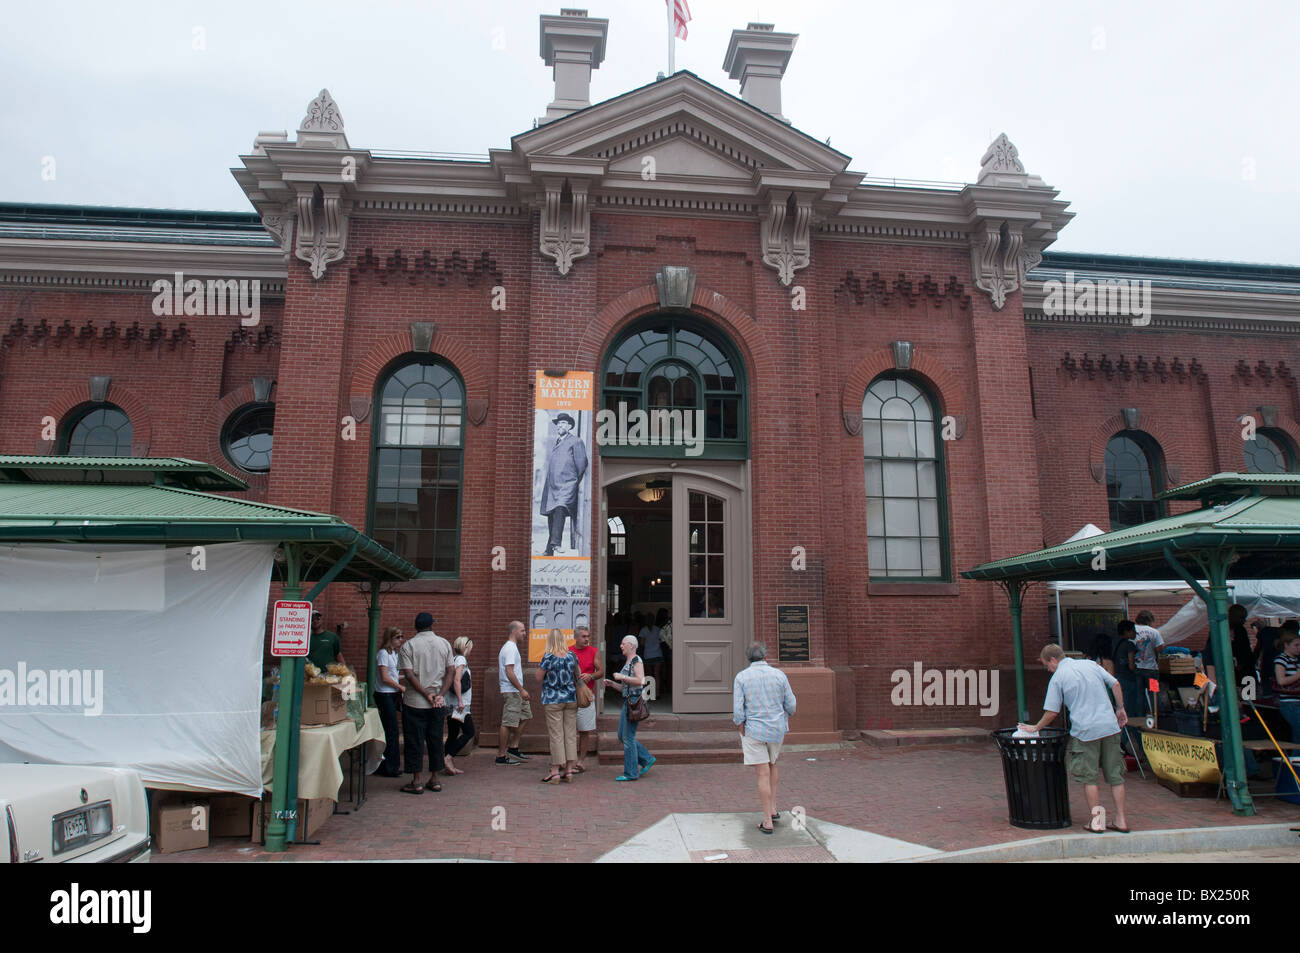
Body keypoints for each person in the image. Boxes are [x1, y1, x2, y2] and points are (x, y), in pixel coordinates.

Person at [1021, 644, 1130, 833]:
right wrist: (1120, 708)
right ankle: (1121, 820)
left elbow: (1052, 711)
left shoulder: (1058, 678)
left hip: (1085, 731)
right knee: (1115, 776)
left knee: (1090, 778)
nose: (1048, 669)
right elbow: (1115, 684)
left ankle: (1097, 821)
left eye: (1047, 665)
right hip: (1110, 726)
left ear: (1053, 660)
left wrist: (1036, 727)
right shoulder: (1091, 665)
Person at [733, 641, 798, 834]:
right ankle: (773, 807)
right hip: (776, 728)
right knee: (772, 764)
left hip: (754, 729)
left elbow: (738, 708)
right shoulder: (779, 675)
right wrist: (786, 715)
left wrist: (740, 724)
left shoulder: (742, 677)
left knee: (762, 772)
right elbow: (791, 704)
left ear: (748, 657)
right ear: (765, 656)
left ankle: (767, 820)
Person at [397, 612, 454, 794]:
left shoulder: (408, 645)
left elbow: (409, 674)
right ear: (432, 625)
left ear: (416, 626)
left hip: (414, 701)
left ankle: (416, 781)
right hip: (438, 701)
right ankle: (435, 779)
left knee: (414, 741)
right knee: (436, 740)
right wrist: (440, 695)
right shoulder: (444, 643)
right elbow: (451, 671)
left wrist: (425, 694)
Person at [605, 634, 653, 781]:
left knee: (628, 737)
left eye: (623, 643)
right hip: (628, 701)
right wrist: (613, 684)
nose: (621, 646)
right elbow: (626, 688)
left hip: (633, 702)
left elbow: (641, 680)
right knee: (623, 735)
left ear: (631, 646)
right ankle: (646, 758)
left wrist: (622, 677)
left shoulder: (636, 660)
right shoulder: (629, 661)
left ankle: (631, 772)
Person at [541, 413, 588, 556]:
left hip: (567, 484)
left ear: (569, 426)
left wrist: (572, 479)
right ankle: (549, 549)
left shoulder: (576, 441)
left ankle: (556, 544)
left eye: (562, 423)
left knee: (560, 508)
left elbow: (582, 464)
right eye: (558, 424)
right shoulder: (557, 442)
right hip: (552, 486)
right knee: (551, 514)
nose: (559, 426)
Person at [538, 627, 580, 782]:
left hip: (553, 699)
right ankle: (569, 770)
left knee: (556, 735)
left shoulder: (548, 657)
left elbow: (538, 677)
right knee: (570, 734)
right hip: (570, 698)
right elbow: (578, 674)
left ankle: (555, 770)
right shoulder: (571, 656)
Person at [496, 620, 532, 766]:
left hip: (516, 690)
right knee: (507, 722)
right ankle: (501, 756)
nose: (525, 634)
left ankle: (513, 747)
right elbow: (509, 671)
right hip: (512, 691)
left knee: (526, 716)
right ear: (514, 632)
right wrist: (521, 689)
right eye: (522, 631)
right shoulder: (510, 648)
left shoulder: (513, 647)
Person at [571, 624, 603, 773]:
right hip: (570, 695)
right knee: (569, 730)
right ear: (576, 637)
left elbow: (601, 671)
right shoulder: (568, 651)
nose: (586, 639)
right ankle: (568, 759)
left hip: (586, 696)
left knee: (584, 730)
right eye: (583, 636)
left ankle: (581, 761)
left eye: (588, 636)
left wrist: (591, 675)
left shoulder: (593, 651)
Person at [373, 626, 405, 777]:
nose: (401, 640)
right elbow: (385, 677)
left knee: (392, 730)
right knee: (391, 730)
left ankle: (390, 764)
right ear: (389, 638)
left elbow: (394, 676)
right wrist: (400, 687)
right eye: (397, 637)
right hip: (384, 694)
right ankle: (389, 766)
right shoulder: (383, 654)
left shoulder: (394, 655)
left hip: (392, 694)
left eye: (401, 637)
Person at [443, 636, 476, 776]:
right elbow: (456, 680)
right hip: (459, 705)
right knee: (469, 731)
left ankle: (444, 763)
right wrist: (461, 701)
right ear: (466, 647)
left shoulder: (454, 659)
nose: (471, 650)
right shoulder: (461, 659)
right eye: (470, 647)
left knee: (453, 733)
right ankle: (448, 757)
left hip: (451, 703)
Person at [1133, 610, 1163, 713]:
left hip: (1137, 668)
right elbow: (1160, 649)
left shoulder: (1132, 630)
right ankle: (1157, 715)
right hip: (1152, 669)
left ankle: (1140, 717)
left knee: (1139, 694)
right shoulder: (1154, 632)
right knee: (1154, 692)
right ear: (1149, 620)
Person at [1274, 626, 1300, 742]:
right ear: (1286, 645)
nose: (1299, 648)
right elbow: (1281, 681)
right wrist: (1297, 675)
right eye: (1296, 645)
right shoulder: (1281, 660)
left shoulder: (1297, 660)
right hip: (1289, 703)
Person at [1112, 620, 1141, 723]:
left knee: (1122, 706)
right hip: (1129, 679)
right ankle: (1132, 733)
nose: (1135, 633)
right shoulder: (1129, 645)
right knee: (1131, 708)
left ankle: (1124, 733)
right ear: (1126, 632)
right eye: (1133, 631)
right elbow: (1132, 666)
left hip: (1118, 678)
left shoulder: (1116, 643)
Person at [641, 611, 664, 697]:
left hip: (648, 654)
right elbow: (661, 640)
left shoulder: (643, 630)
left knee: (649, 675)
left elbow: (642, 643)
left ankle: (650, 693)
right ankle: (657, 694)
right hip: (657, 653)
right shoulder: (658, 629)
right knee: (657, 674)